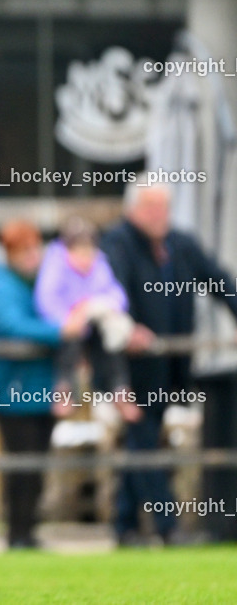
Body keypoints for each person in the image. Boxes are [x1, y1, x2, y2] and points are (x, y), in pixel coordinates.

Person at [101, 177, 237, 546]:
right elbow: (111, 296)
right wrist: (128, 330)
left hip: (171, 364)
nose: (160, 215)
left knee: (141, 441)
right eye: (152, 207)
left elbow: (221, 282)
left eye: (164, 207)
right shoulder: (117, 243)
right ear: (133, 209)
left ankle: (124, 525)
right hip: (131, 366)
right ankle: (168, 527)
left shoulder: (180, 244)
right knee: (144, 440)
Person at [0, 219, 88, 549]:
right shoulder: (2, 283)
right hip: (12, 389)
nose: (30, 255)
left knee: (37, 464)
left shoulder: (45, 279)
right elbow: (10, 323)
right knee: (21, 464)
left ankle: (29, 532)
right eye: (22, 249)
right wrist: (60, 331)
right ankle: (17, 534)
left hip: (42, 388)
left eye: (33, 248)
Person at [34, 216, 139, 422]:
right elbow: (46, 301)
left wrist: (95, 307)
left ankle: (120, 390)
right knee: (69, 343)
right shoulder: (55, 266)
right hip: (68, 326)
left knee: (112, 337)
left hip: (93, 324)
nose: (85, 257)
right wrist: (68, 319)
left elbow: (117, 295)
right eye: (79, 250)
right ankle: (64, 391)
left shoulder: (100, 264)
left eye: (88, 250)